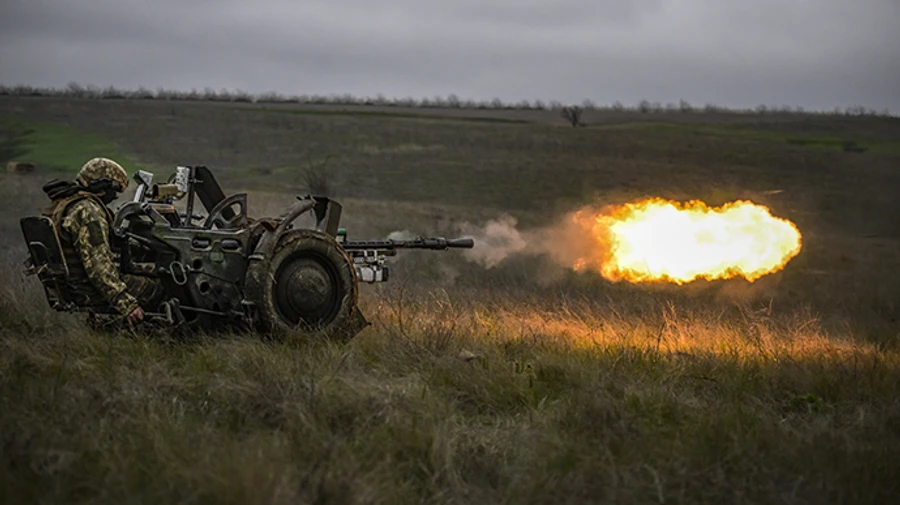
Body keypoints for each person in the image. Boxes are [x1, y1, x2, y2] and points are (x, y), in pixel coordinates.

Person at [42, 157, 163, 326]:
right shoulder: (88, 212)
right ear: (101, 188)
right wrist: (126, 304)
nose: (114, 197)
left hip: (77, 284)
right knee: (161, 288)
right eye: (114, 190)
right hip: (88, 287)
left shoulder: (68, 204)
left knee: (151, 272)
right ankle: (162, 333)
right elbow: (98, 266)